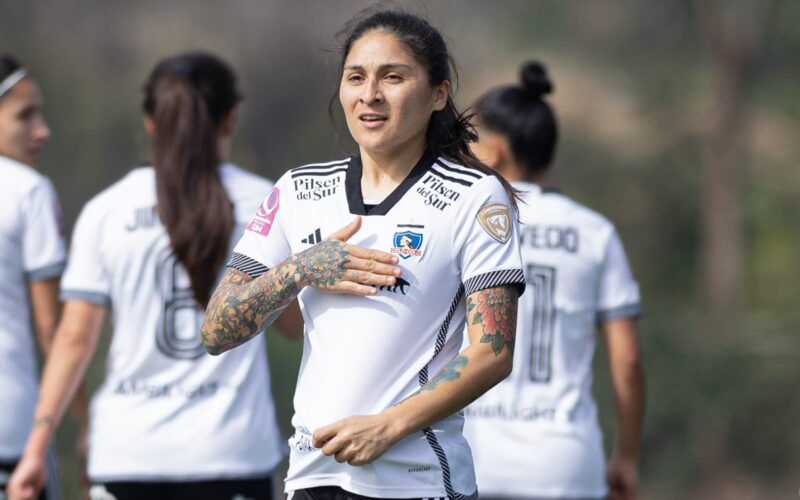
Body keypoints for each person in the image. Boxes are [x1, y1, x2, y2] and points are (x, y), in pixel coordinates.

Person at [201, 9, 526, 500]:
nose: (369, 94)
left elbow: (492, 353)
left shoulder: (475, 196)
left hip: (416, 482)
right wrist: (299, 270)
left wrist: (387, 427)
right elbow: (215, 330)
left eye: (392, 77)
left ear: (439, 93)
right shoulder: (297, 189)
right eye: (356, 77)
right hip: (312, 477)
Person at [8, 51, 300, 500]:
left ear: (148, 122)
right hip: (231, 454)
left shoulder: (107, 210)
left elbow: (72, 341)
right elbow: (292, 326)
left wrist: (37, 446)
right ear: (230, 119)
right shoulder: (267, 202)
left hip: (127, 455)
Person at [462, 61, 646, 500]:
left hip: (472, 459)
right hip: (566, 467)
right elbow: (629, 364)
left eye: (466, 141)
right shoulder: (594, 232)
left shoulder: (467, 224)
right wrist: (626, 456)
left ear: (493, 152)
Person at [0, 53, 84, 500]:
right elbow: (55, 330)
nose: (42, 130)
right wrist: (88, 428)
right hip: (11, 436)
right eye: (24, 115)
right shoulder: (26, 189)